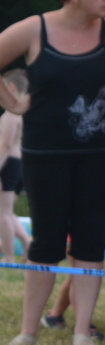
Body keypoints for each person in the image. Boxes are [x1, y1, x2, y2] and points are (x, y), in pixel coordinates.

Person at [0, 0, 105, 345]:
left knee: (90, 238)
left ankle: (82, 331)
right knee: (45, 241)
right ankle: (28, 331)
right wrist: (13, 103)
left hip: (101, 153)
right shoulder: (34, 29)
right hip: (45, 153)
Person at [0, 71, 32, 272]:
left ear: (11, 88)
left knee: (3, 213)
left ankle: (9, 257)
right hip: (14, 164)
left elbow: (5, 144)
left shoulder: (12, 114)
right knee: (7, 211)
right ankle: (27, 243)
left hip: (8, 163)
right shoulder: (21, 113)